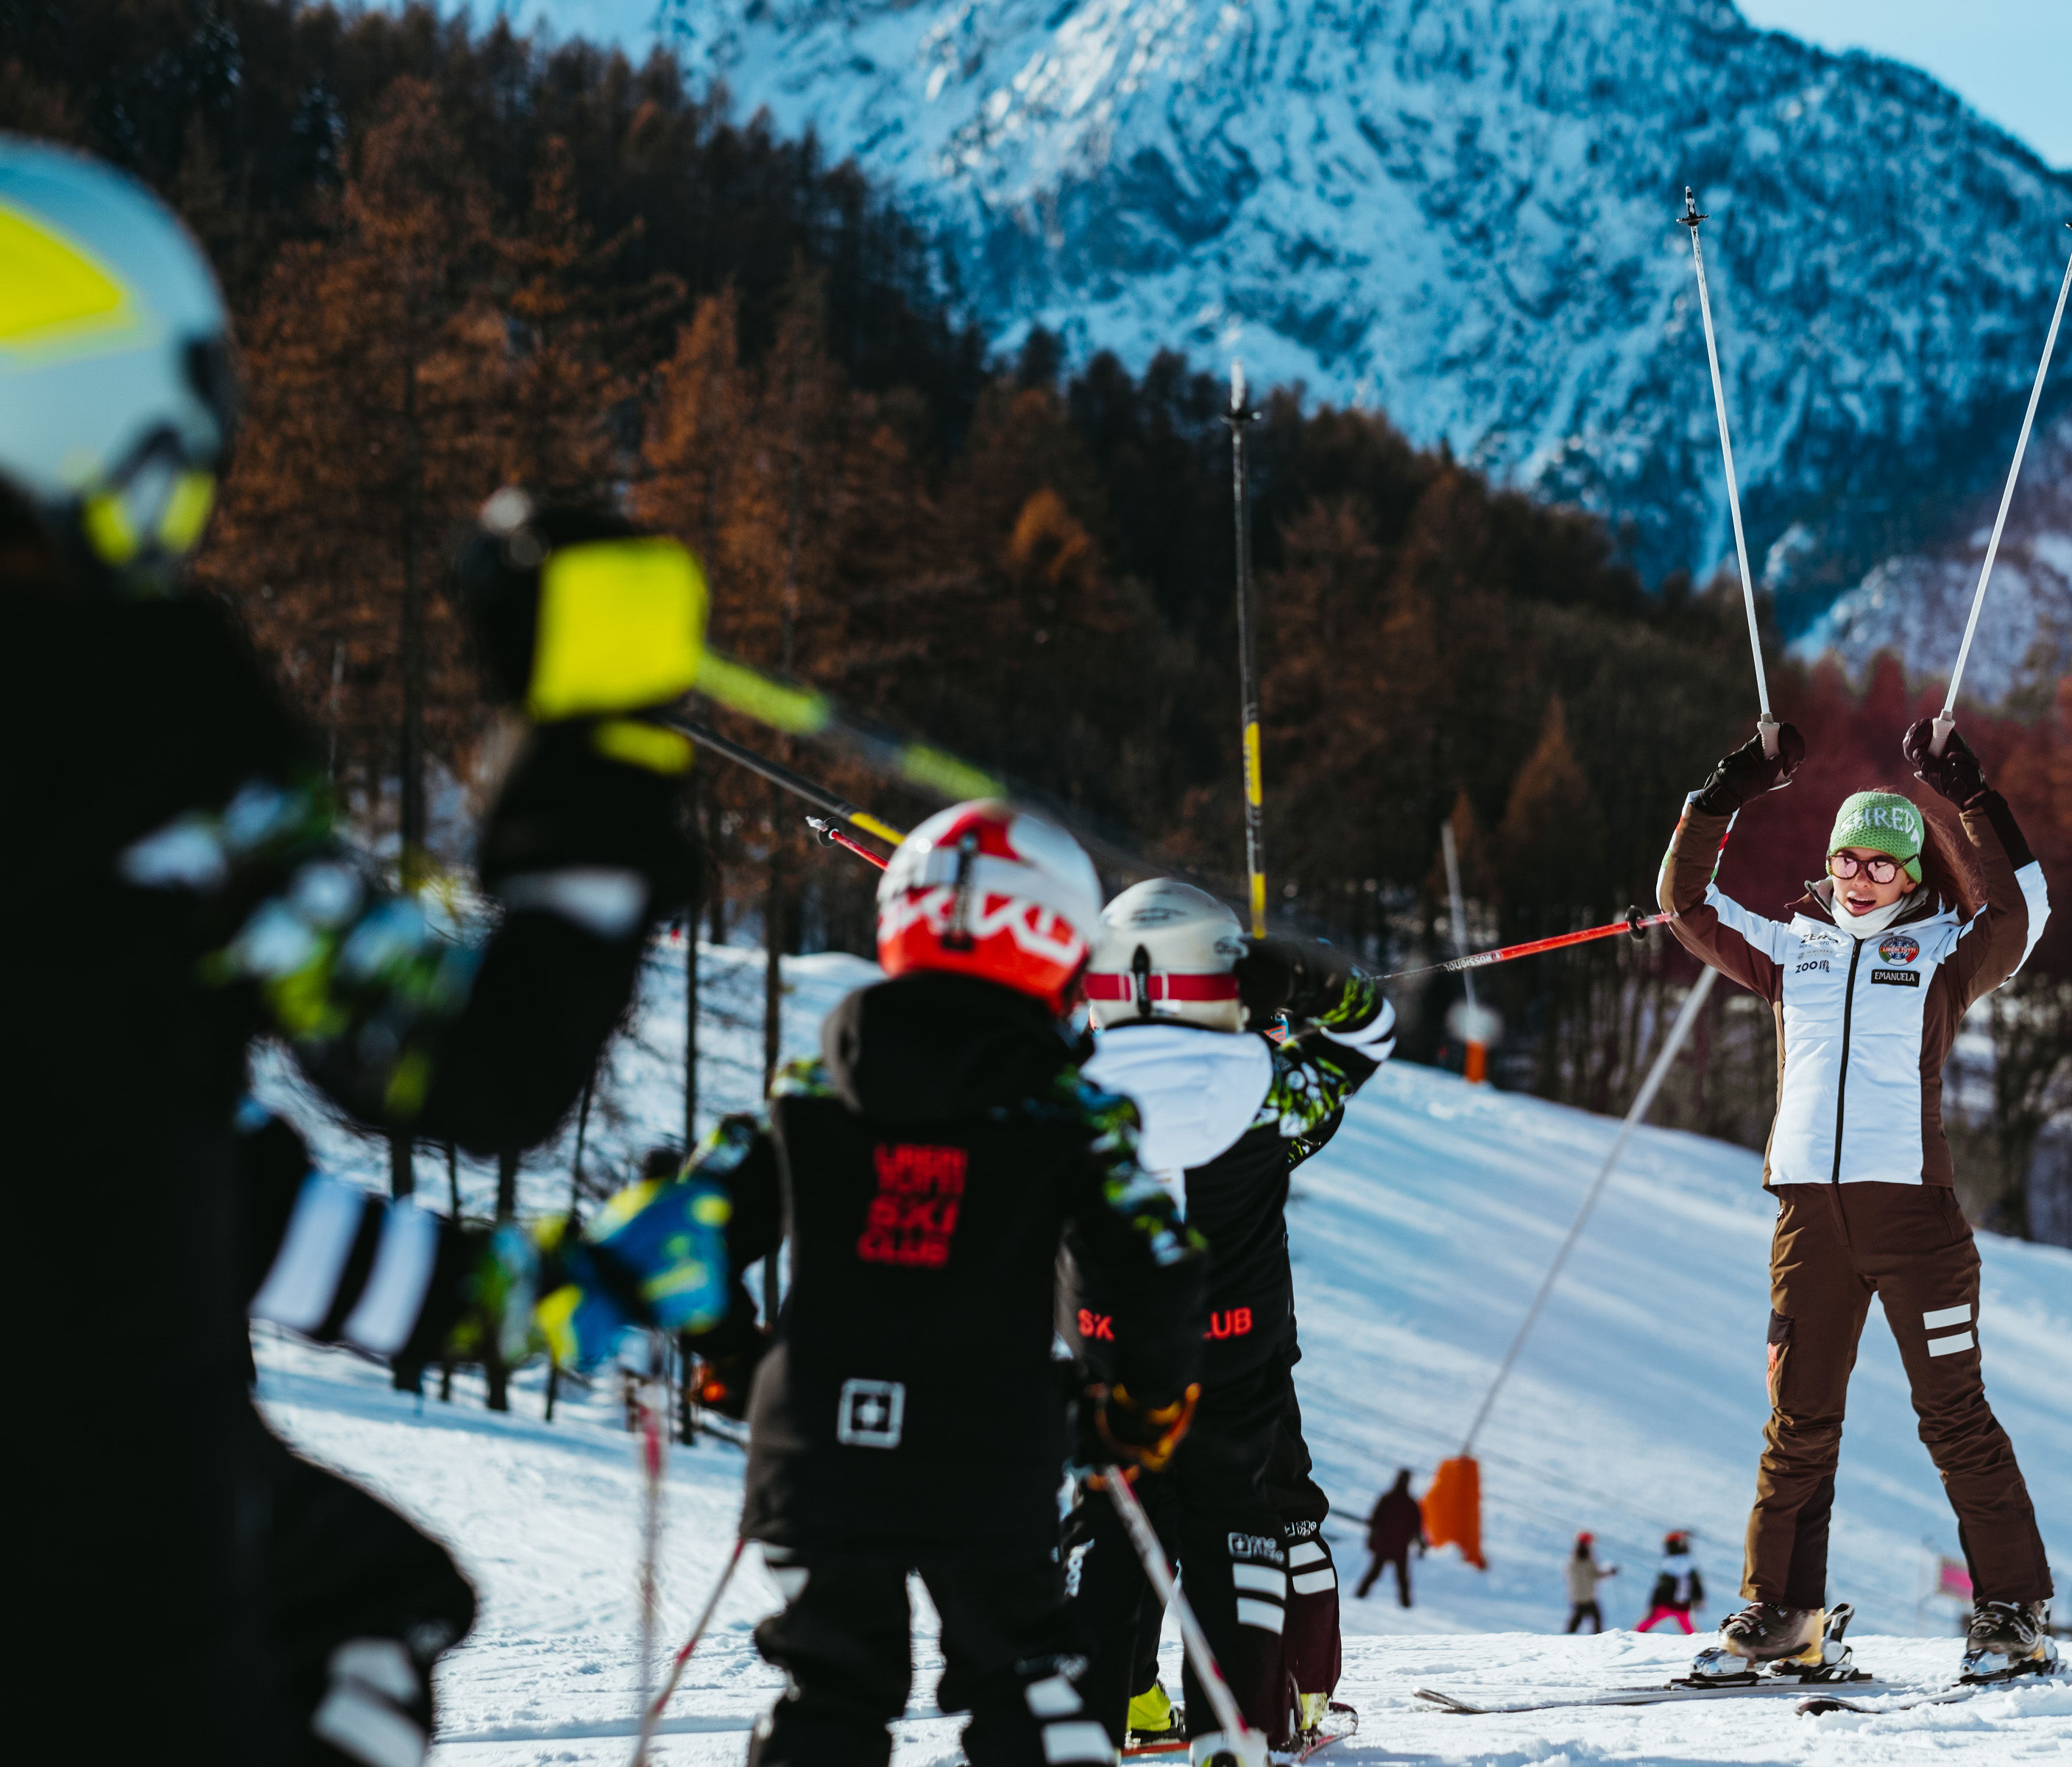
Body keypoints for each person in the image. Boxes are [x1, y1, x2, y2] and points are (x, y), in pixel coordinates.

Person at [5, 137, 728, 1763]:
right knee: (374, 1608)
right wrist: (598, 754)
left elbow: (130, 1163)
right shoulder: (150, 737)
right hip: (109, 1596)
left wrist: (518, 1302)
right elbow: (475, 1069)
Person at [680, 804, 1208, 1767]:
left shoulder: (810, 1088)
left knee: (830, 1692)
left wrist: (730, 1355)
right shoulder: (1066, 1108)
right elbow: (1160, 1266)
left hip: (817, 1440)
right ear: (1057, 943)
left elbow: (687, 1229)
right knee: (1028, 1686)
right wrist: (1141, 1407)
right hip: (987, 1447)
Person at [1656, 716, 2060, 1682]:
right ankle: (1781, 1612)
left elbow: (2025, 913)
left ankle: (2013, 1612)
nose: (1860, 877)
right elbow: (1684, 903)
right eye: (1847, 858)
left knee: (1954, 1415)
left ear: (1911, 873)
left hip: (1914, 1220)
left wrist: (1971, 796)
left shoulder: (1944, 956)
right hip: (1809, 1224)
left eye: (1882, 863)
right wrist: (1728, 790)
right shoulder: (1788, 951)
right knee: (1798, 1424)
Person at [1065, 879, 1395, 1761]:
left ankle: (1086, 1729)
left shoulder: (1063, 1092)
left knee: (1112, 1534)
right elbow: (1368, 1031)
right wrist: (1298, 983)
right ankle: (1241, 1731)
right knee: (1239, 1534)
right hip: (1235, 1356)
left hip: (1109, 1356)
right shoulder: (1267, 1089)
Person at [1354, 1470, 1426, 1607]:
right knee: (1401, 1578)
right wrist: (1421, 1546)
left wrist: (1371, 1540)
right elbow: (1417, 1529)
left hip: (1384, 1545)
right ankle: (1406, 1605)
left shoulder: (1387, 1499)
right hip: (1400, 1548)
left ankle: (1360, 1596)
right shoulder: (1410, 1504)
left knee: (1375, 1573)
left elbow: (1374, 1521)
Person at [1634, 1531, 1704, 1633]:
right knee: (1688, 1629)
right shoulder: (1682, 1562)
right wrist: (1699, 1597)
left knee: (1650, 1622)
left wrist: (1653, 1603)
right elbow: (1694, 1582)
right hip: (1677, 1604)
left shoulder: (1671, 1563)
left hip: (1671, 1604)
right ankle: (1636, 1633)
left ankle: (1635, 1634)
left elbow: (1661, 1586)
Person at [1565, 1534, 1619, 1633]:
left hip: (1576, 1595)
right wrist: (1610, 1572)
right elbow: (1596, 1575)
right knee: (1596, 1617)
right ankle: (1598, 1636)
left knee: (1579, 1617)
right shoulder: (1588, 1558)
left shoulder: (1573, 1558)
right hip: (1587, 1595)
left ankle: (1568, 1635)